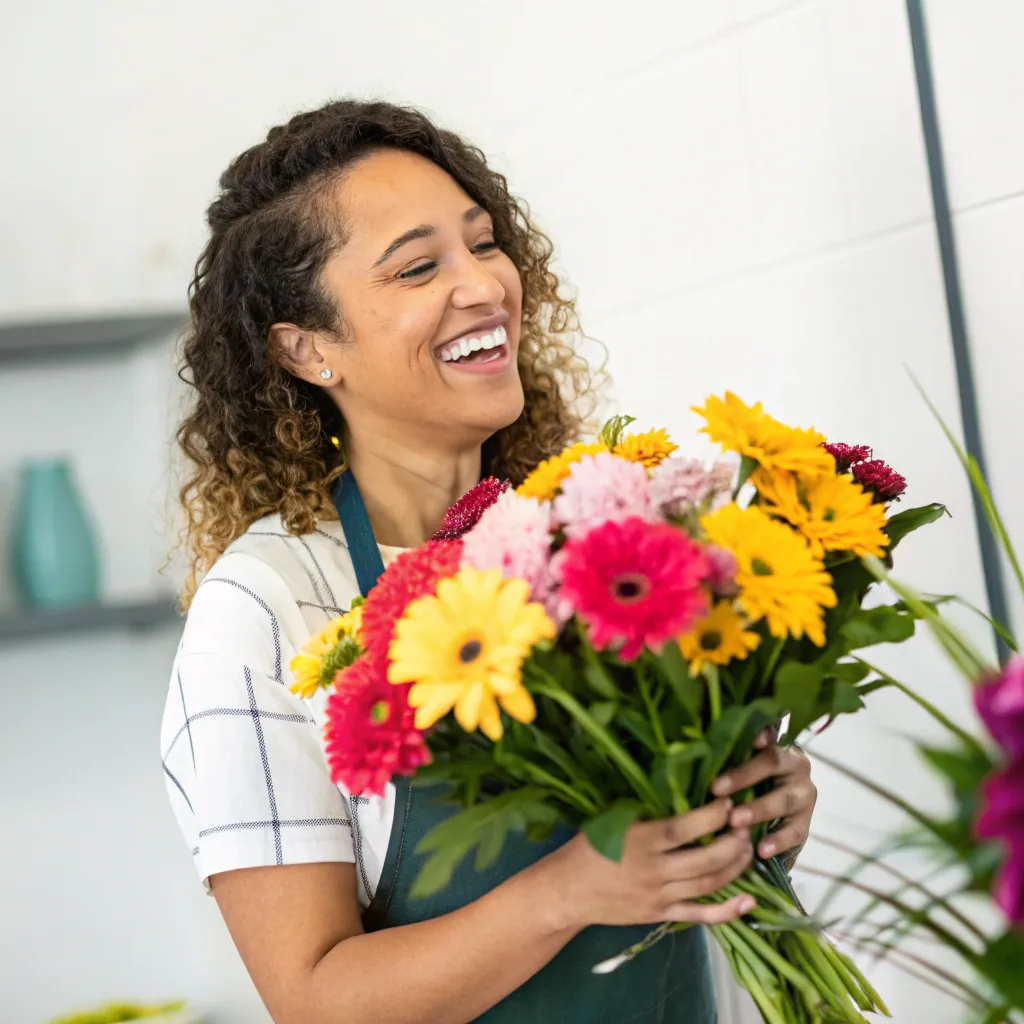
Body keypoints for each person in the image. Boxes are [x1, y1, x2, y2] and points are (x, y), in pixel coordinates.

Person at [160, 99, 817, 1024]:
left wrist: (746, 814)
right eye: (421, 266)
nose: (483, 285)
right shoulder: (265, 609)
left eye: (483, 243)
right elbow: (315, 1000)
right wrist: (572, 890)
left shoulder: (588, 534)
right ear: (307, 350)